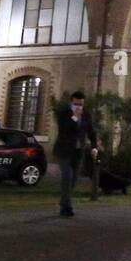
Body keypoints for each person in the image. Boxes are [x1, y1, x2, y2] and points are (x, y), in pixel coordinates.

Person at [53, 90, 98, 218]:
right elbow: (64, 129)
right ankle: (67, 207)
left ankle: (64, 203)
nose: (78, 107)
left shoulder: (86, 115)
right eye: (76, 104)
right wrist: (75, 117)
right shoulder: (64, 114)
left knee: (73, 179)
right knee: (68, 175)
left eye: (81, 104)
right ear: (71, 102)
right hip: (64, 151)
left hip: (78, 151)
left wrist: (94, 147)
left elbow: (91, 131)